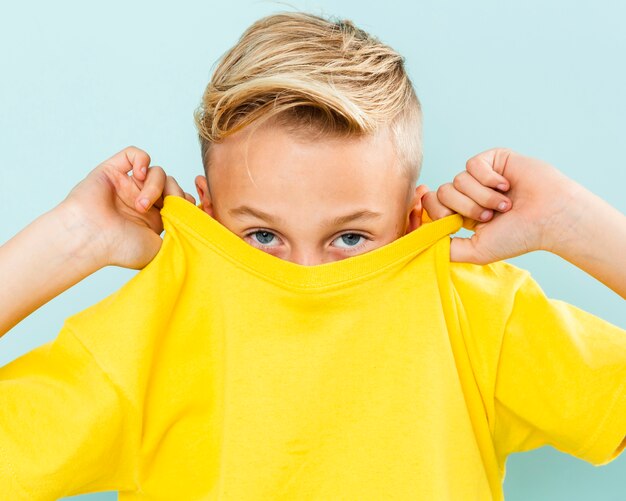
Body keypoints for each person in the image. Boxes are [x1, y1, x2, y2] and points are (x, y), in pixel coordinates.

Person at [1, 10, 624, 501]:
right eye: (262, 235)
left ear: (412, 217)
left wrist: (572, 223)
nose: (302, 278)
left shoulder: (475, 312)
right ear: (208, 210)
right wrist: (72, 238)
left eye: (350, 237)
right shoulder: (148, 331)